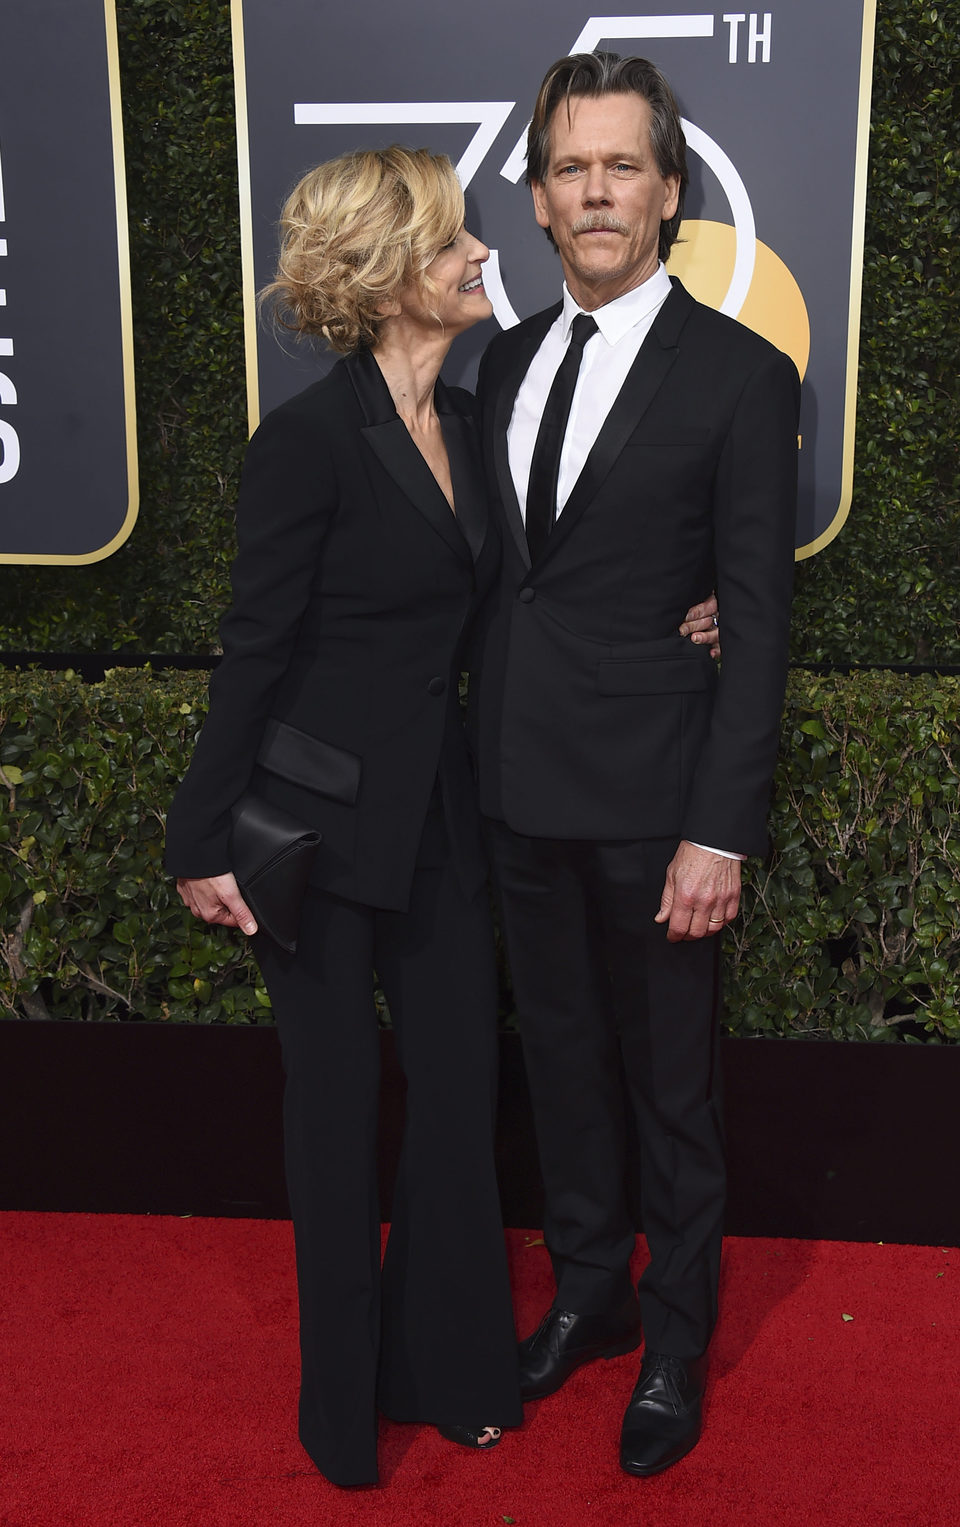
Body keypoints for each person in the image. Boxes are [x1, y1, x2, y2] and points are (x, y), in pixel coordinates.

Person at [164, 147, 523, 1488]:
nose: (482, 255)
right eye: (454, 244)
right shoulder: (306, 445)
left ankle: (448, 1368)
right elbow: (254, 653)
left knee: (456, 1097)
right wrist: (199, 840)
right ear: (385, 279)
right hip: (311, 838)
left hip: (442, 825)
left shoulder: (478, 426)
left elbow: (514, 603)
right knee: (332, 1120)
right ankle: (339, 1412)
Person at [471, 52, 800, 1477]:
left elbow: (762, 620)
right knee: (562, 1073)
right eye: (569, 168)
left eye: (621, 165)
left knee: (673, 1093)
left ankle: (675, 1341)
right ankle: (592, 1296)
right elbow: (505, 580)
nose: (594, 191)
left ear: (669, 192)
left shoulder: (742, 376)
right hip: (516, 793)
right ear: (538, 200)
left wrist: (717, 832)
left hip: (660, 807)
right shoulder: (501, 363)